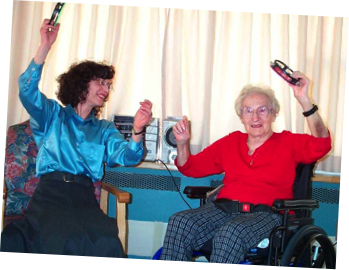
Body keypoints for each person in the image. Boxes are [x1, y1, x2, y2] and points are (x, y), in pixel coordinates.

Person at [0, 19, 152, 257]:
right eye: (100, 83)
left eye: (108, 85)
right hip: (50, 195)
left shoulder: (104, 129)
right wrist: (44, 47)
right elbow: (26, 90)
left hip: (83, 199)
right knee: (62, 238)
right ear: (81, 84)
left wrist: (138, 130)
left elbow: (128, 157)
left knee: (105, 240)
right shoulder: (51, 115)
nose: (106, 89)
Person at [159, 73, 331, 263]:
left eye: (262, 110)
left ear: (274, 113)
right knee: (180, 222)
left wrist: (304, 100)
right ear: (241, 116)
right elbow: (190, 168)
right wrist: (182, 143)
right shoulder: (231, 142)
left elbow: (321, 144)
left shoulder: (288, 142)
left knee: (230, 232)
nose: (255, 117)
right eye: (248, 110)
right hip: (222, 210)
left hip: (266, 215)